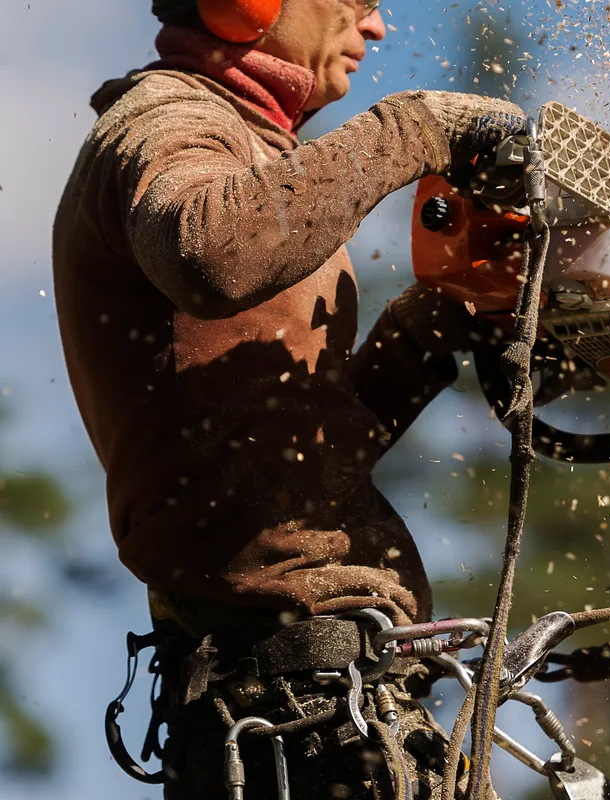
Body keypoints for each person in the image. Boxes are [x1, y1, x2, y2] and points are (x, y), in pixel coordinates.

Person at [52, 1, 525, 796]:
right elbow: (209, 250)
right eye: (358, 2)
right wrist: (415, 129)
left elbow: (296, 455)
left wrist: (442, 315)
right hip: (281, 713)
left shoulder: (256, 152)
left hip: (334, 701)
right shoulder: (163, 124)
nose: (377, 29)